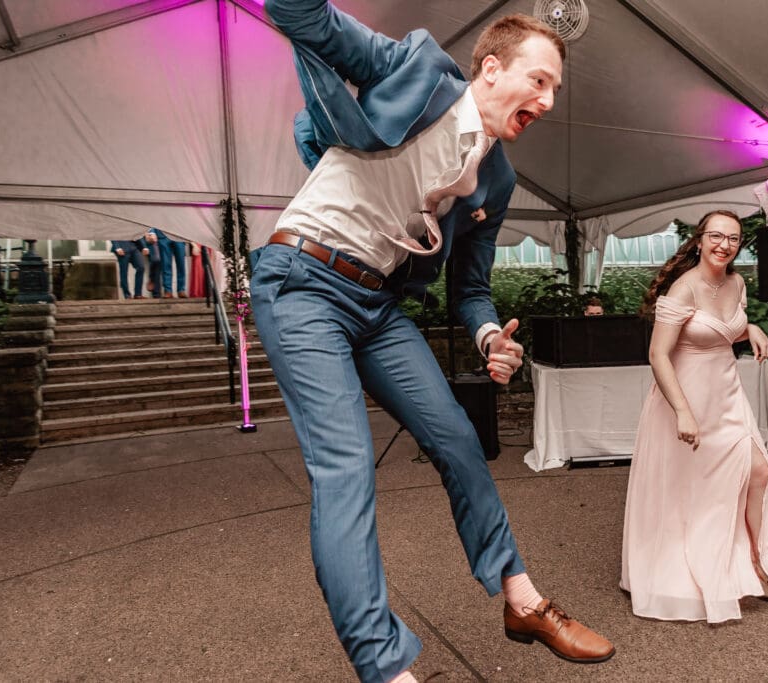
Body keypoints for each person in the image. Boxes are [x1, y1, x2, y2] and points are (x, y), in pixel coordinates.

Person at [251, 2, 614, 681]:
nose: (550, 99)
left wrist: (487, 339)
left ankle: (522, 600)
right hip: (304, 280)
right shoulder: (413, 67)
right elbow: (308, 20)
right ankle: (386, 669)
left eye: (557, 89)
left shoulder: (498, 180)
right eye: (540, 81)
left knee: (457, 439)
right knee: (347, 469)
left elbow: (470, 288)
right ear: (490, 69)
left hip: (378, 306)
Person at [621, 210, 768, 624]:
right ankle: (686, 565)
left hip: (727, 396)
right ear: (700, 239)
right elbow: (657, 355)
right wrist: (683, 411)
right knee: (693, 487)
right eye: (717, 236)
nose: (725, 245)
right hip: (686, 397)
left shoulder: (737, 283)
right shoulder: (684, 289)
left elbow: (725, 328)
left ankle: (762, 566)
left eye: (734, 239)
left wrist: (752, 328)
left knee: (758, 471)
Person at [141, 230, 162, 298]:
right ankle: (156, 293)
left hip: (159, 240)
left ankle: (156, 291)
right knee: (156, 260)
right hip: (149, 241)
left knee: (158, 264)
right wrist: (150, 234)